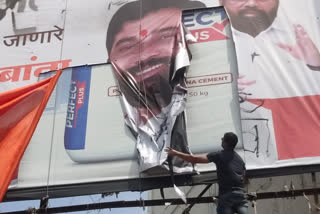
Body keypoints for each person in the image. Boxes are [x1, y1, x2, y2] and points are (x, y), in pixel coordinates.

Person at [106, 0, 206, 172]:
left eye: (165, 37)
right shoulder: (101, 135)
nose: (149, 54)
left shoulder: (210, 118)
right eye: (129, 46)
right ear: (111, 61)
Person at [221, 0, 320, 161]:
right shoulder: (210, 43)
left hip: (300, 145)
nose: (251, 3)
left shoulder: (302, 37)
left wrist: (315, 65)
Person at [166, 132, 248, 214]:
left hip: (226, 195)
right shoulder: (240, 160)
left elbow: (194, 159)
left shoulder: (219, 155)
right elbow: (243, 178)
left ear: (225, 143)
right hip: (240, 195)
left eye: (223, 138)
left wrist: (175, 153)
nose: (221, 139)